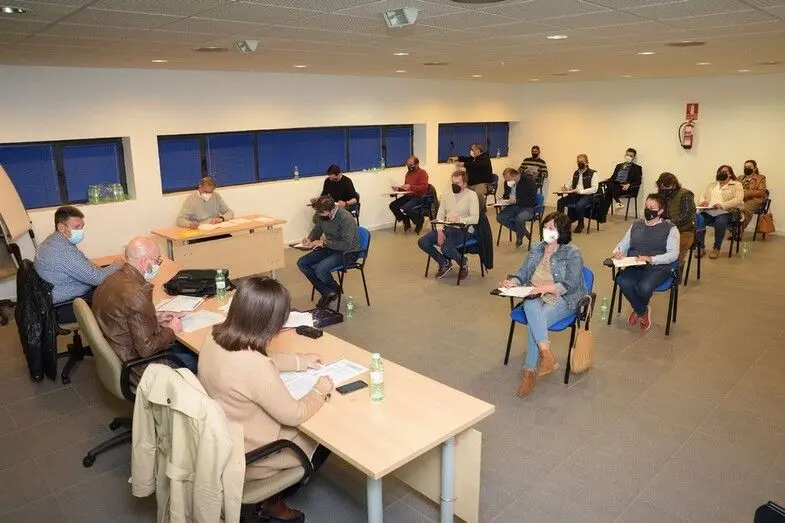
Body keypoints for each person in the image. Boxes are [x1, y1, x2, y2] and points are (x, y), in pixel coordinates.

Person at [198, 277, 333, 522]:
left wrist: (300, 361)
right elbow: (295, 414)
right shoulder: (254, 366)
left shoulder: (215, 337)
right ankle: (272, 501)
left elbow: (261, 356)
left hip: (222, 439)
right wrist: (319, 390)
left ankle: (271, 501)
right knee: (324, 435)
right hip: (251, 455)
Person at [500, 212, 586, 397]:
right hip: (535, 294)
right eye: (545, 227)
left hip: (564, 297)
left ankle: (529, 372)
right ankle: (546, 354)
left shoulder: (572, 252)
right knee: (531, 306)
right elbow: (523, 272)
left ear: (561, 231)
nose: (547, 230)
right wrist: (513, 281)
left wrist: (544, 288)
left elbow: (570, 284)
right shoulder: (537, 248)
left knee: (535, 322)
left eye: (551, 228)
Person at [92, 236, 197, 376]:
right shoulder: (137, 294)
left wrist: (155, 319)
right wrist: (171, 330)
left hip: (120, 351)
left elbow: (125, 317)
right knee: (198, 358)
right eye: (157, 261)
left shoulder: (110, 279)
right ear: (144, 262)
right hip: (139, 367)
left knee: (181, 347)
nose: (158, 265)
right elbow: (147, 349)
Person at [33, 206, 121, 324]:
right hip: (67, 305)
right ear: (61, 227)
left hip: (59, 294)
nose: (80, 231)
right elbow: (97, 279)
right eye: (76, 227)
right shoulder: (62, 250)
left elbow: (82, 261)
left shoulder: (54, 241)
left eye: (82, 227)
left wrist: (103, 268)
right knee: (119, 296)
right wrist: (118, 264)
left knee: (109, 273)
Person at [612, 194, 680, 332]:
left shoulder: (670, 228)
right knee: (623, 281)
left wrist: (651, 259)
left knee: (643, 287)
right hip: (636, 263)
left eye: (652, 208)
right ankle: (642, 310)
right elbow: (623, 244)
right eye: (646, 206)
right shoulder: (636, 225)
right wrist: (618, 251)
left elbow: (673, 254)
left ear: (660, 211)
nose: (648, 210)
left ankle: (638, 309)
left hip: (659, 266)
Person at [296, 195, 360, 308]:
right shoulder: (322, 214)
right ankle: (328, 291)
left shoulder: (345, 218)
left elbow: (346, 244)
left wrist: (324, 243)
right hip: (330, 248)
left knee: (320, 269)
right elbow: (318, 228)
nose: (319, 215)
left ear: (331, 210)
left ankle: (332, 291)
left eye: (322, 213)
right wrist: (310, 238)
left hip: (348, 252)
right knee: (302, 263)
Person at [417, 170, 479, 281]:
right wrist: (439, 230)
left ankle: (463, 262)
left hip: (463, 229)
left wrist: (459, 219)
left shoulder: (471, 195)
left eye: (458, 183)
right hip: (447, 227)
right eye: (453, 183)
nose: (455, 186)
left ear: (465, 184)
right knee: (423, 242)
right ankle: (444, 263)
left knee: (446, 248)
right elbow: (440, 215)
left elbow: (475, 218)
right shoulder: (447, 194)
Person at [697, 165, 744, 258]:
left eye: (725, 171)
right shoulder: (712, 184)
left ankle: (716, 248)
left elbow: (738, 199)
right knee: (699, 220)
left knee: (720, 223)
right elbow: (702, 195)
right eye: (720, 171)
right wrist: (703, 202)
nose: (722, 173)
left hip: (725, 211)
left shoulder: (736, 185)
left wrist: (722, 205)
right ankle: (701, 247)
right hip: (709, 211)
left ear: (730, 174)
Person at [656, 172, 696, 279]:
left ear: (674, 184)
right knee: (649, 245)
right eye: (662, 187)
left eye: (667, 186)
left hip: (685, 230)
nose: (665, 189)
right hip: (664, 228)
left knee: (676, 252)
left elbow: (687, 215)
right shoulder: (660, 196)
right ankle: (655, 273)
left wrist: (670, 222)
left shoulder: (685, 194)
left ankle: (675, 277)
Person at [556, 154, 599, 233]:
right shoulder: (575, 173)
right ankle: (561, 223)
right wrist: (565, 188)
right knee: (560, 202)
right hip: (575, 195)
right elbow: (569, 185)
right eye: (578, 162)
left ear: (587, 163)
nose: (580, 163)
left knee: (579, 205)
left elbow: (594, 189)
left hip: (587, 196)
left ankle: (580, 223)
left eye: (582, 161)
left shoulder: (593, 173)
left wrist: (581, 191)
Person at [497, 166, 538, 248]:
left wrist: (517, 201)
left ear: (514, 176)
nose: (507, 182)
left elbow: (532, 200)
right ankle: (524, 231)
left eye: (508, 180)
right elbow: (506, 195)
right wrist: (503, 200)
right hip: (513, 205)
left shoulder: (529, 181)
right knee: (500, 218)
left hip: (528, 207)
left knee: (519, 219)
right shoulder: (508, 183)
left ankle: (519, 237)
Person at [388, 155, 430, 233]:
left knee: (406, 207)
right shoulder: (408, 173)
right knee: (393, 205)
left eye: (411, 165)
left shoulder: (422, 173)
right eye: (407, 164)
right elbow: (406, 187)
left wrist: (411, 187)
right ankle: (405, 219)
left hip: (418, 197)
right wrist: (398, 189)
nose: (409, 166)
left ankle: (419, 221)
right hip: (407, 196)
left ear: (417, 164)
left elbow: (424, 187)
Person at [448, 143, 494, 209]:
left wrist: (463, 164)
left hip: (483, 184)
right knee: (459, 191)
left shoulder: (485, 158)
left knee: (477, 194)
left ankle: (481, 211)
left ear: (478, 150)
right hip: (471, 184)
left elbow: (475, 165)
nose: (471, 151)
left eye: (472, 149)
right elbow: (466, 159)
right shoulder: (473, 158)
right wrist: (457, 158)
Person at [737, 159, 768, 231]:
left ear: (754, 168)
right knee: (731, 209)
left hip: (755, 200)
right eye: (745, 167)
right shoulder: (740, 177)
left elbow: (761, 192)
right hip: (740, 199)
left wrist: (745, 192)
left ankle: (739, 230)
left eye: (749, 167)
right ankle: (733, 229)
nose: (747, 168)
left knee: (744, 209)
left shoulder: (761, 178)